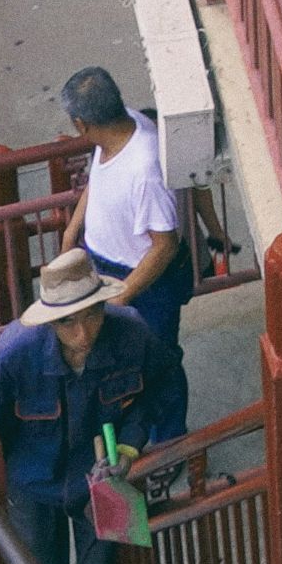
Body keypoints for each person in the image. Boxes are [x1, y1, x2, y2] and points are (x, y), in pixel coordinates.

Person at [0, 243, 163, 564]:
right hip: (32, 488)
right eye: (68, 322)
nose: (83, 333)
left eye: (92, 316)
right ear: (50, 321)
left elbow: (157, 395)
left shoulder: (133, 333)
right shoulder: (13, 355)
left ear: (104, 307)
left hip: (101, 481)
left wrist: (130, 449)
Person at [57, 62, 198, 435]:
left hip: (141, 283)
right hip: (105, 268)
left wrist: (121, 298)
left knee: (159, 364)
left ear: (81, 125)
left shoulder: (146, 168)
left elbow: (164, 246)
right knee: (118, 365)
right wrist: (73, 230)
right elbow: (98, 178)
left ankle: (170, 443)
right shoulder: (120, 127)